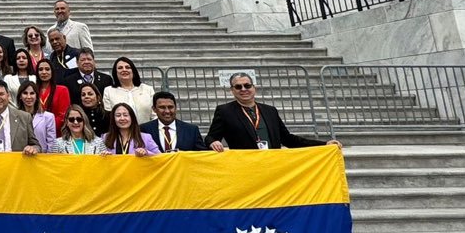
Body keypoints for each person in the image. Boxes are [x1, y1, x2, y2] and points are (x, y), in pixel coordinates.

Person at [206, 72, 342, 152]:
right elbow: (210, 137)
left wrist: (324, 145)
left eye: (247, 85)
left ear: (254, 88)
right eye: (238, 86)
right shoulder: (224, 111)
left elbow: (288, 139)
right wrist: (213, 142)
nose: (243, 89)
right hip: (245, 166)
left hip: (273, 165)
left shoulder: (270, 111)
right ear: (232, 90)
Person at [141, 91, 207, 152]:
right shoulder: (144, 129)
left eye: (170, 107)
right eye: (162, 107)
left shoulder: (191, 130)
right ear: (154, 109)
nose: (167, 111)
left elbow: (202, 154)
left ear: (176, 108)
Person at [102, 56, 156, 125]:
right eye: (120, 68)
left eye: (127, 67)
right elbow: (109, 116)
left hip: (146, 130)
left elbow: (154, 115)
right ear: (115, 72)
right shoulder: (109, 91)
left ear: (133, 70)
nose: (124, 70)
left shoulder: (148, 89)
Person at [16, 82, 58, 153]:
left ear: (36, 96)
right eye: (25, 93)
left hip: (41, 157)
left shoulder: (48, 117)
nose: (29, 97)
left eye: (32, 93)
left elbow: (51, 144)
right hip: (20, 157)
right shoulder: (14, 117)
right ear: (20, 96)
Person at [36, 59, 72, 130]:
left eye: (47, 69)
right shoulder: (33, 91)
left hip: (56, 131)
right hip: (36, 131)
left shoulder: (62, 90)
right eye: (40, 69)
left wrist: (46, 126)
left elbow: (63, 115)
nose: (44, 72)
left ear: (52, 72)